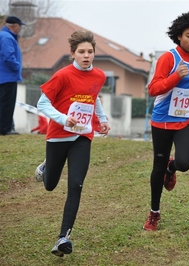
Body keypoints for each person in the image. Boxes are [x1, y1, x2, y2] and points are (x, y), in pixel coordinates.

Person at [34, 30, 110, 257]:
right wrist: (63, 118)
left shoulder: (99, 76)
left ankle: (63, 238)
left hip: (82, 136)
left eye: (90, 52)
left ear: (94, 53)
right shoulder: (62, 76)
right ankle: (47, 165)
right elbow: (42, 104)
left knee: (76, 184)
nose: (86, 56)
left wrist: (103, 120)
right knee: (50, 185)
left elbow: (94, 99)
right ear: (73, 54)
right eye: (81, 52)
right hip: (58, 135)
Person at [143, 12, 189, 231]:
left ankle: (171, 169)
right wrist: (175, 77)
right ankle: (154, 213)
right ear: (179, 36)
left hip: (186, 119)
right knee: (157, 166)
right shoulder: (169, 58)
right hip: (162, 120)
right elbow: (153, 89)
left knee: (185, 163)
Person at [0, 16, 25, 135]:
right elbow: (8, 56)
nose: (20, 29)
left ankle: (7, 126)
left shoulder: (4, 36)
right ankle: (5, 129)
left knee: (5, 103)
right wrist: (17, 68)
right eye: (20, 26)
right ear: (15, 26)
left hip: (4, 76)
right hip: (7, 76)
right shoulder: (7, 37)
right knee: (7, 103)